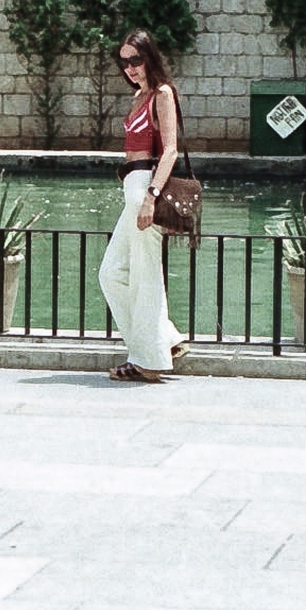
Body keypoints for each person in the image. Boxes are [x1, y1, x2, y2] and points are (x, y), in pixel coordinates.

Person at [99, 29, 188, 382]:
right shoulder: (139, 95)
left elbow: (170, 151)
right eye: (124, 62)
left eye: (135, 60)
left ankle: (148, 362)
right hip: (132, 187)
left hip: (146, 187)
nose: (130, 68)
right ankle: (164, 339)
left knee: (146, 275)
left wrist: (151, 196)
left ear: (149, 57)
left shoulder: (162, 93)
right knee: (111, 273)